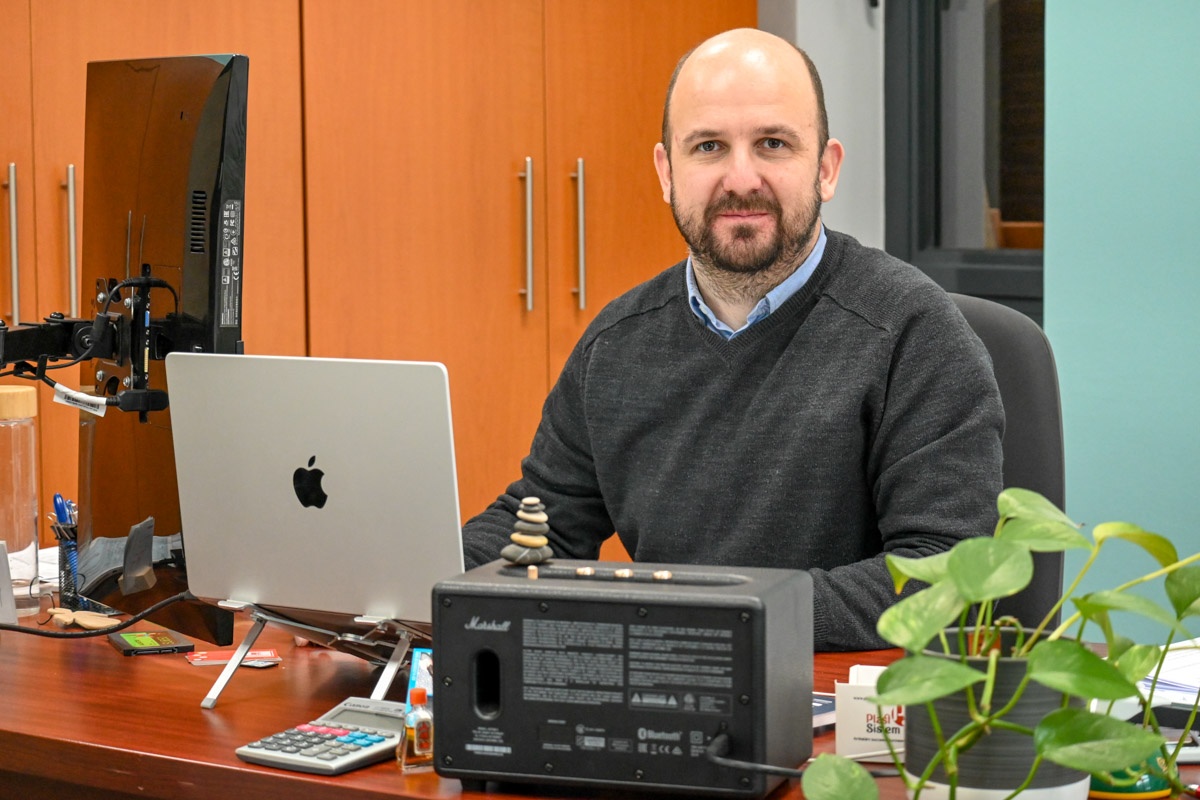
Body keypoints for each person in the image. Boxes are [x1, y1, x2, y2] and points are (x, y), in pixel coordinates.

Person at [461, 28, 1003, 651]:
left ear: (826, 169)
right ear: (667, 172)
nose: (740, 178)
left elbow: (944, 571)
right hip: (669, 681)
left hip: (838, 696)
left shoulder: (913, 332)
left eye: (773, 143)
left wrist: (719, 619)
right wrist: (407, 581)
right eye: (708, 146)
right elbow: (542, 528)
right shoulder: (616, 344)